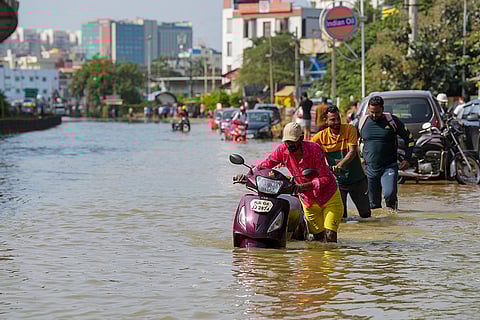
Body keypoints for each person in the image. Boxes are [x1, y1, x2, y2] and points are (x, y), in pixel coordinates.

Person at [235, 122, 343, 242]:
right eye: (286, 142)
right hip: (309, 202)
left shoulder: (315, 150)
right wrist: (247, 176)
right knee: (318, 240)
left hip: (329, 197)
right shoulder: (282, 150)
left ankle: (333, 259)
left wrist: (303, 186)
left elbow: (325, 177)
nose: (289, 145)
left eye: (292, 142)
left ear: (301, 138)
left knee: (330, 236)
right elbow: (265, 165)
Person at [312, 106, 371, 219]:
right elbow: (309, 153)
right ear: (326, 120)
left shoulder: (350, 129)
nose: (337, 122)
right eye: (333, 119)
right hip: (337, 183)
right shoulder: (320, 137)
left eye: (338, 118)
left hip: (357, 179)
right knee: (340, 217)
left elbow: (353, 152)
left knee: (366, 215)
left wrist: (340, 165)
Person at [358, 96, 414, 210]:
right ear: (368, 109)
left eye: (377, 113)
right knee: (373, 206)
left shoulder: (392, 121)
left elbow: (410, 140)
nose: (374, 115)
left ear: (382, 109)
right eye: (371, 112)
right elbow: (351, 142)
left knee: (389, 195)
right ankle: (380, 227)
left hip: (389, 167)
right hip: (370, 169)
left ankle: (393, 218)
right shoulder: (362, 122)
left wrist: (407, 159)